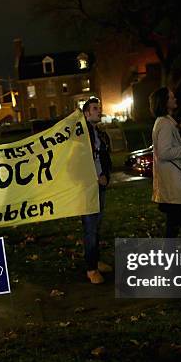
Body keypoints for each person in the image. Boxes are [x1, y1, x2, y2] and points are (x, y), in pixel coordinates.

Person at [149, 88, 181, 237]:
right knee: (177, 225)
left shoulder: (166, 122)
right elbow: (164, 152)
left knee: (179, 225)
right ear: (164, 102)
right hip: (173, 183)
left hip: (175, 182)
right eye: (171, 97)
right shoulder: (164, 124)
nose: (175, 99)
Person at [81, 97, 112, 284]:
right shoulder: (82, 135)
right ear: (86, 113)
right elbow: (80, 163)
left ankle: (95, 260)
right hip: (87, 188)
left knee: (96, 226)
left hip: (99, 186)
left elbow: (103, 157)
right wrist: (95, 177)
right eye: (94, 108)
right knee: (90, 228)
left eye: (98, 108)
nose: (98, 111)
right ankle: (91, 269)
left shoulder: (97, 133)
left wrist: (106, 175)